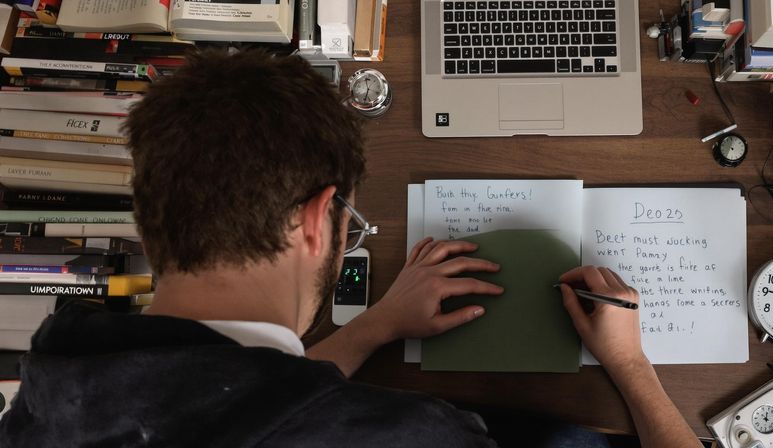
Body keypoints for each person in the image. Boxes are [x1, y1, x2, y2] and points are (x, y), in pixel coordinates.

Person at [0, 50, 702, 448]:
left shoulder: (46, 406)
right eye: (348, 221)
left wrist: (374, 326)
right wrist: (631, 364)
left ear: (150, 222)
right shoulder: (405, 438)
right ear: (316, 221)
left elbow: (233, 401)